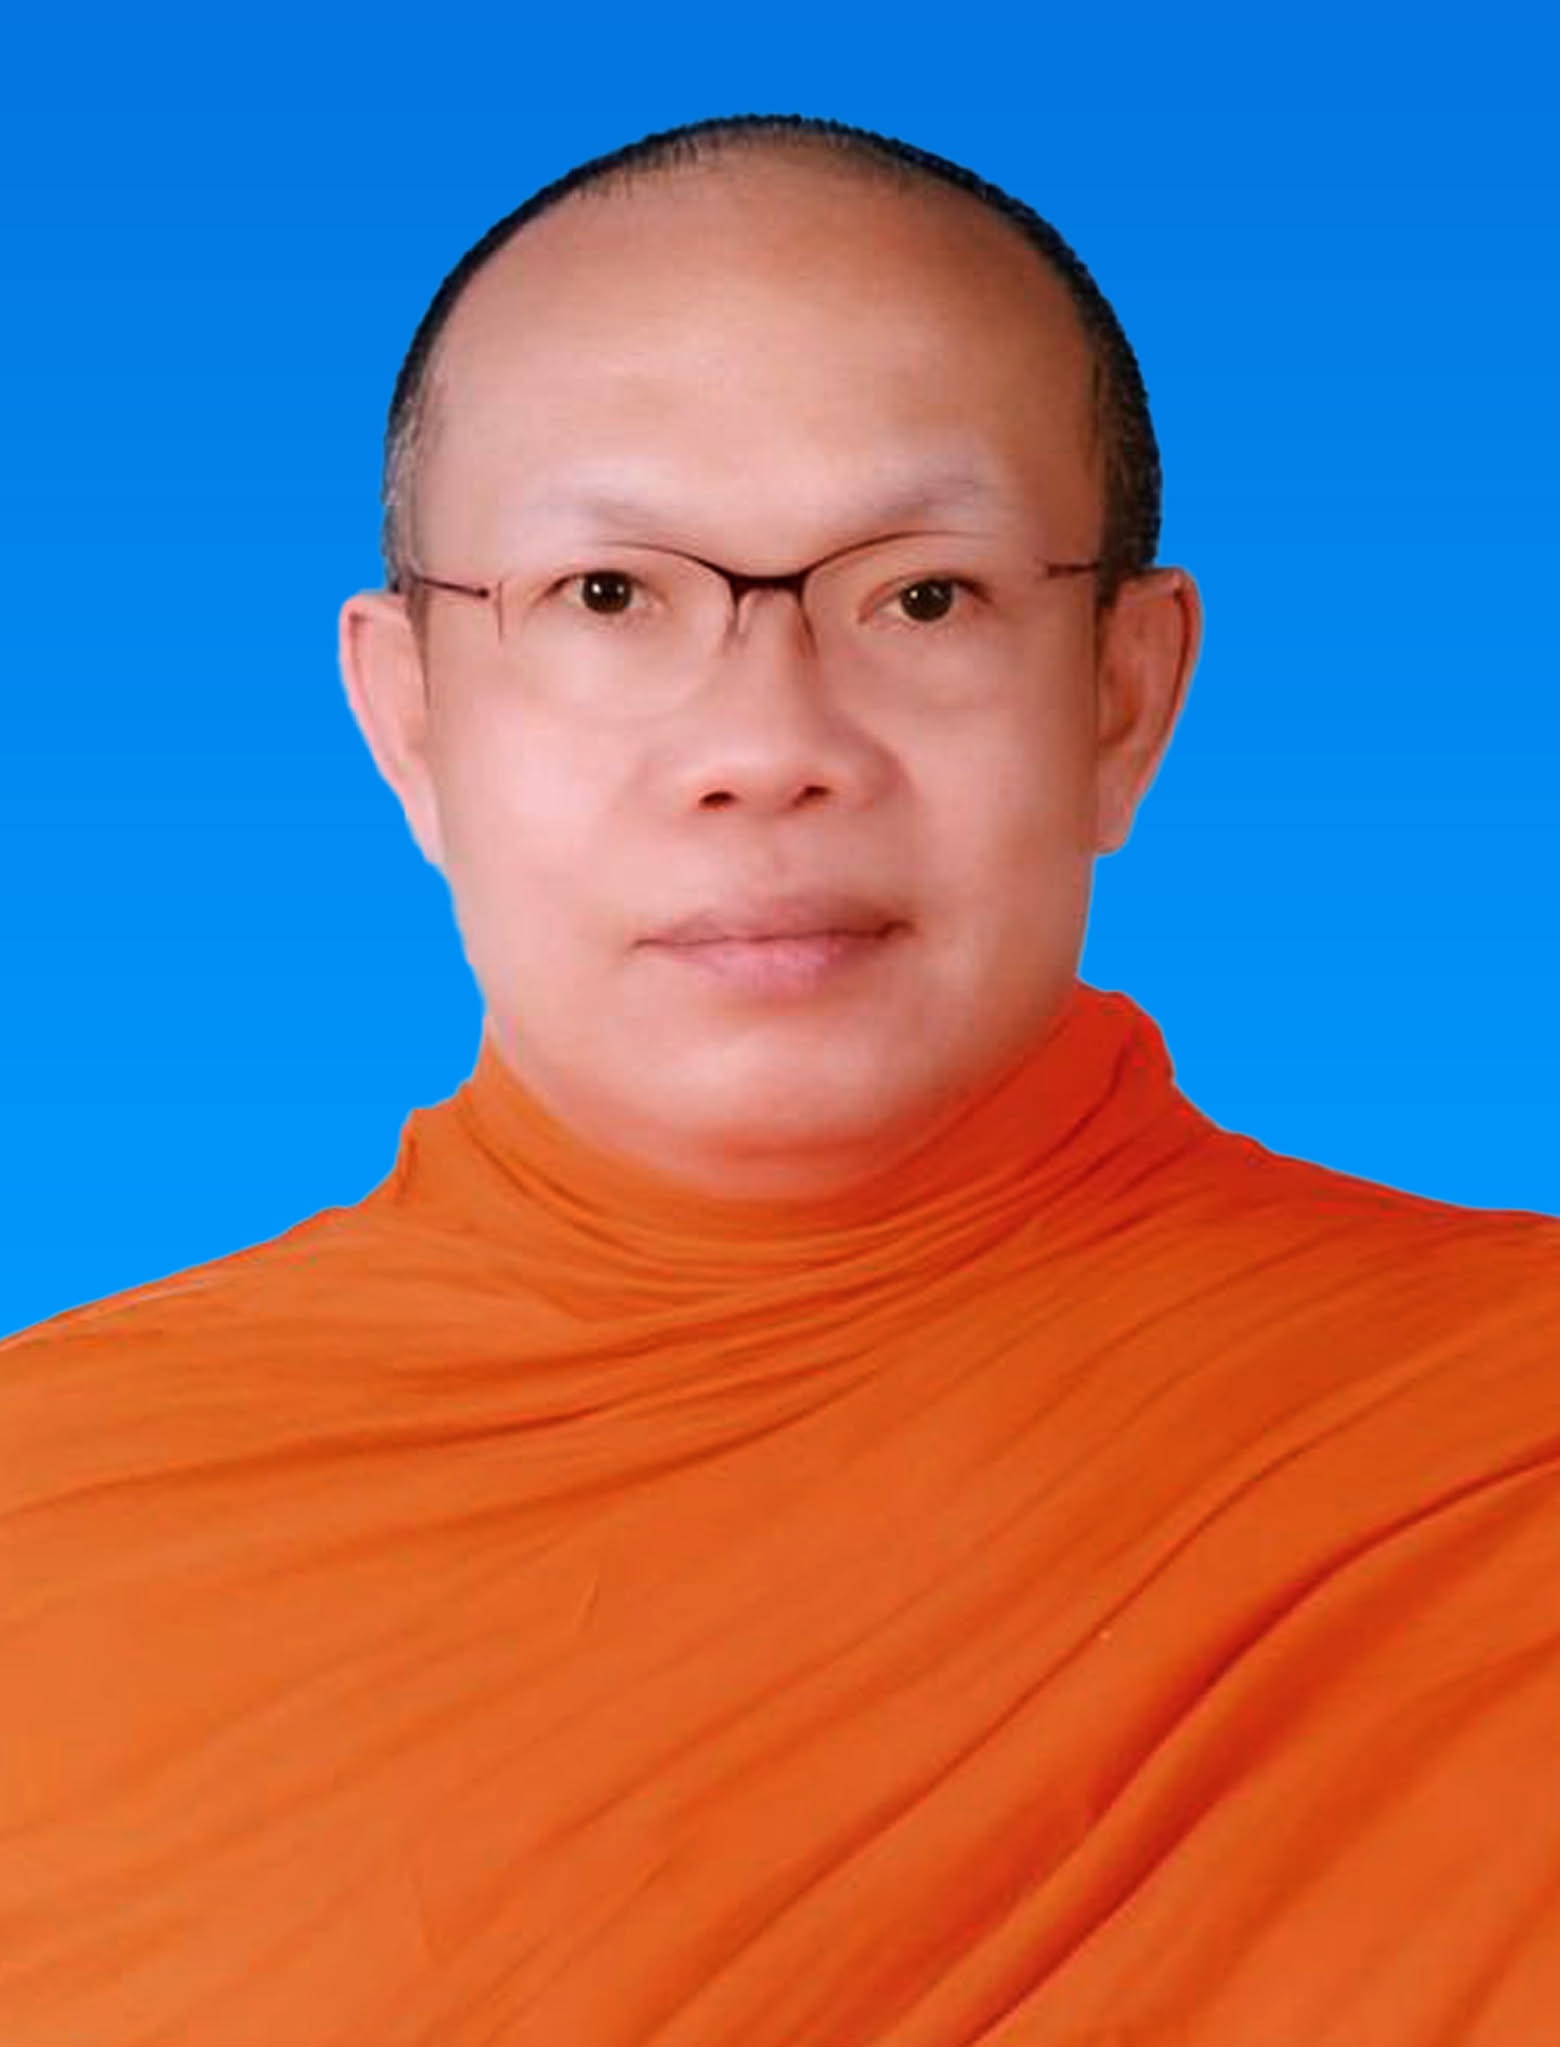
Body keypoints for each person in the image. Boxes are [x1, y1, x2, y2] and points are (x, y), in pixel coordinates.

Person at [1, 112, 1556, 2047]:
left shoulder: (1504, 1442)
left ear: (1123, 696)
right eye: (604, 595)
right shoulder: (47, 1513)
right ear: (408, 719)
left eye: (924, 596)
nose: (765, 744)